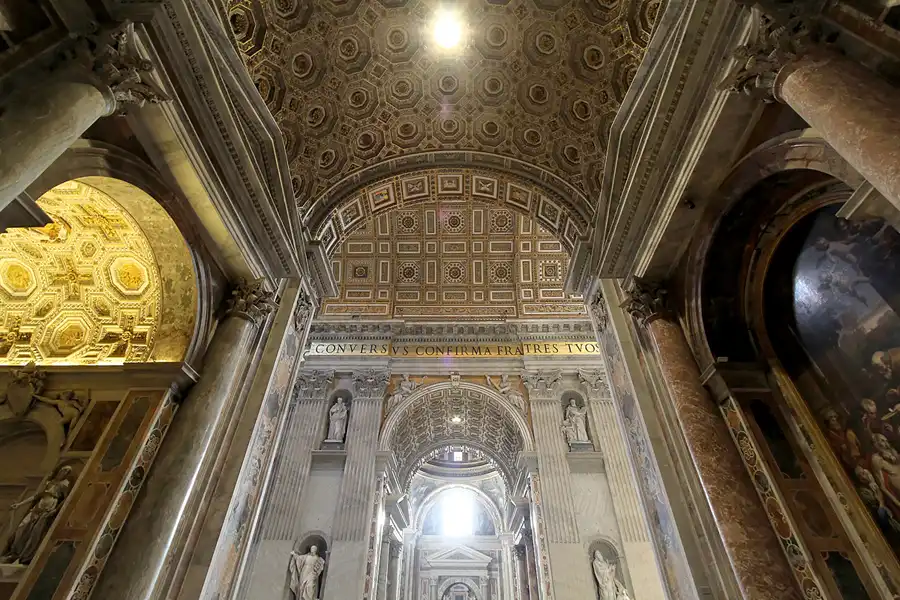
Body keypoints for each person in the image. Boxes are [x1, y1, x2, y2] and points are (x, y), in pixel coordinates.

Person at [1, 466, 73, 564]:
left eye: (67, 471)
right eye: (64, 470)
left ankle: (24, 557)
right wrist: (19, 504)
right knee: (21, 529)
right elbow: (36, 496)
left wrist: (56, 510)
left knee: (35, 534)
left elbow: (66, 499)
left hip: (48, 509)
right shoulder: (49, 482)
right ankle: (13, 553)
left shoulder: (65, 484)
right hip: (37, 508)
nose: (64, 472)